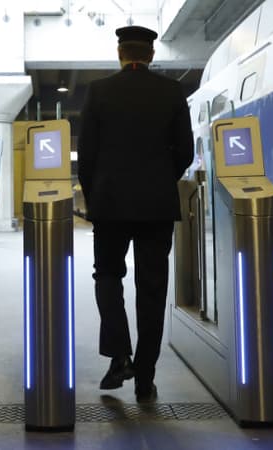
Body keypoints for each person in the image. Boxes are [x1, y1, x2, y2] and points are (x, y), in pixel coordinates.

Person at [77, 25, 194, 403]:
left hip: (110, 205)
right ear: (151, 56)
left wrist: (96, 195)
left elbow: (87, 155)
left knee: (108, 276)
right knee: (153, 288)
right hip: (156, 207)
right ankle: (145, 378)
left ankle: (119, 356)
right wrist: (161, 180)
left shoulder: (99, 91)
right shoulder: (172, 91)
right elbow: (186, 152)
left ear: (119, 53)